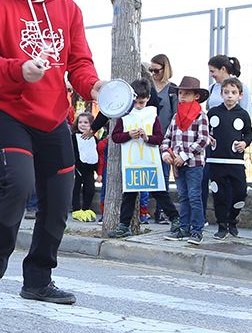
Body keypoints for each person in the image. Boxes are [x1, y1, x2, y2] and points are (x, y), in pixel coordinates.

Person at [0, 0, 102, 305]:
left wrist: (94, 88)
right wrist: (17, 70)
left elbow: (79, 63)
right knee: (18, 183)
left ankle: (38, 280)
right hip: (3, 109)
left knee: (60, 198)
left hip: (52, 114)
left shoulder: (69, 9)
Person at [107, 80, 164, 238]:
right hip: (131, 162)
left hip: (149, 161)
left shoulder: (152, 115)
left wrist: (147, 137)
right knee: (130, 194)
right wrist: (128, 135)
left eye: (142, 102)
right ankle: (124, 225)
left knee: (158, 191)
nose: (139, 106)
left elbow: (159, 138)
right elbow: (116, 137)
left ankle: (175, 220)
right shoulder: (125, 116)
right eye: (136, 102)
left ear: (148, 99)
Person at [162, 76, 211, 243]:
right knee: (183, 197)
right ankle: (184, 228)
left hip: (194, 164)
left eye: (186, 94)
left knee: (194, 196)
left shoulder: (201, 116)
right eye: (180, 93)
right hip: (177, 163)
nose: (182, 96)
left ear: (196, 96)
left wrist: (185, 155)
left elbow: (204, 139)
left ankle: (197, 230)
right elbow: (167, 137)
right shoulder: (176, 116)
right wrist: (166, 153)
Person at [205, 77, 252, 239]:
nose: (230, 96)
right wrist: (208, 138)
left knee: (240, 192)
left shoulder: (243, 114)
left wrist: (244, 143)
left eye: (233, 93)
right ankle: (222, 225)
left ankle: (232, 219)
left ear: (240, 95)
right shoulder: (212, 113)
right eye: (226, 93)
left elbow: (249, 133)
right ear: (221, 94)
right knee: (219, 194)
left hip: (236, 162)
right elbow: (204, 132)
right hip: (216, 161)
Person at [72, 113, 100, 217]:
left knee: (89, 189)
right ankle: (76, 209)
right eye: (80, 122)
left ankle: (86, 208)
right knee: (75, 188)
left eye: (86, 122)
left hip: (89, 169)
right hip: (77, 168)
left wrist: (98, 172)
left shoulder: (94, 139)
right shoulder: (73, 137)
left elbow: (96, 153)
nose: (82, 125)